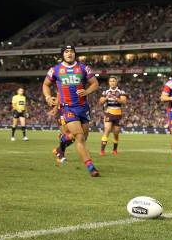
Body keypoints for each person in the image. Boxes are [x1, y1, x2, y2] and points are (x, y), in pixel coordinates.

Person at [42, 46, 100, 177]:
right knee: (79, 136)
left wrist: (87, 91)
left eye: (71, 52)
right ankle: (91, 167)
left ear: (75, 54)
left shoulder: (84, 68)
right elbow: (45, 84)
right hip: (67, 108)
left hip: (83, 107)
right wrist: (47, 97)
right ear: (62, 55)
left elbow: (95, 84)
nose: (69, 54)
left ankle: (61, 143)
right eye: (66, 52)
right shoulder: (55, 70)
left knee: (82, 137)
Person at [99, 76, 127, 156]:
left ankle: (114, 149)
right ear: (109, 82)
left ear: (116, 82)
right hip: (109, 112)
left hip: (118, 113)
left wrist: (116, 98)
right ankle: (102, 151)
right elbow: (100, 102)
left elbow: (124, 101)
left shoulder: (121, 91)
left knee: (116, 133)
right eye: (110, 81)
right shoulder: (106, 92)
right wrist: (106, 98)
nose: (112, 82)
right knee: (107, 130)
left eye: (113, 81)